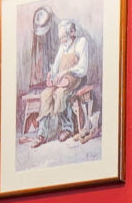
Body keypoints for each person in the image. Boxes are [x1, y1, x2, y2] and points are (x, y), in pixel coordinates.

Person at [30, 18, 96, 146]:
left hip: (76, 79)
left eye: (64, 37)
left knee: (61, 94)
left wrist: (66, 72)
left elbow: (82, 69)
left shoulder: (81, 42)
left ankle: (67, 128)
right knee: (46, 94)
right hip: (62, 80)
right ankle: (42, 134)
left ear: (72, 32)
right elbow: (55, 67)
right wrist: (52, 74)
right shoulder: (62, 47)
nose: (62, 41)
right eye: (60, 38)